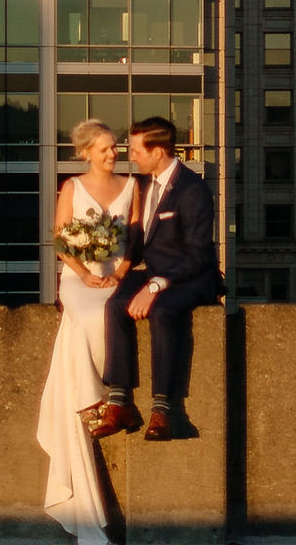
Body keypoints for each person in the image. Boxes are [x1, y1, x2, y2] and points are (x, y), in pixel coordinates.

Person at [34, 121, 139, 545]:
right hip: (78, 279)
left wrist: (117, 272)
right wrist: (83, 273)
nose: (112, 154)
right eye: (104, 149)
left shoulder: (132, 186)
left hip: (116, 274)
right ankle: (93, 398)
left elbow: (133, 240)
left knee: (111, 311)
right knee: (85, 316)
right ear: (86, 153)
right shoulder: (71, 188)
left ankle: (101, 397)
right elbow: (61, 242)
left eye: (114, 148)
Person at [92, 117, 221, 444]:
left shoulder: (193, 190)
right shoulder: (147, 187)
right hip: (154, 274)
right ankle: (120, 402)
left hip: (192, 278)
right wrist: (117, 273)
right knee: (115, 305)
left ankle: (164, 409)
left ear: (159, 150)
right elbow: (139, 241)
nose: (132, 156)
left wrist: (155, 286)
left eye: (137, 150)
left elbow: (197, 254)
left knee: (163, 312)